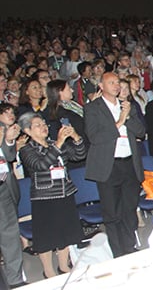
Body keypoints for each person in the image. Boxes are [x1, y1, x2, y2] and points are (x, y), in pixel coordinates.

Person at [84, 72, 146, 258]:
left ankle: (129, 247)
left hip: (129, 163)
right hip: (109, 166)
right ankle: (118, 252)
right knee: (112, 213)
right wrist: (119, 122)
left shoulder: (126, 106)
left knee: (129, 208)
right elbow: (95, 137)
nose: (116, 85)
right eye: (111, 82)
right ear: (101, 86)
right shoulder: (93, 108)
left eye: (118, 82)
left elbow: (141, 131)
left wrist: (127, 116)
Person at [19, 112, 86, 278]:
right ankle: (48, 271)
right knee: (46, 237)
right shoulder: (27, 150)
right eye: (37, 125)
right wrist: (59, 143)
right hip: (44, 197)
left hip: (65, 192)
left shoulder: (53, 143)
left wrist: (75, 136)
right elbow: (41, 165)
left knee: (66, 233)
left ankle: (63, 266)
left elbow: (79, 155)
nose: (43, 127)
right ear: (27, 131)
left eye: (43, 123)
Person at [0, 104, 24, 286]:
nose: (10, 115)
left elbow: (8, 157)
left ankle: (14, 279)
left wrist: (9, 141)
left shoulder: (4, 130)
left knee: (10, 235)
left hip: (4, 189)